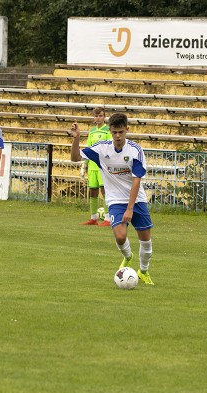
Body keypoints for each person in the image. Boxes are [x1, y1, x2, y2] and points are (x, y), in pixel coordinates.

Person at [70, 113, 154, 285]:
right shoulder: (102, 149)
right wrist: (77, 138)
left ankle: (144, 271)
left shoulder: (135, 151)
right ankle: (128, 256)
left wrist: (130, 208)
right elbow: (75, 158)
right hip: (115, 200)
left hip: (137, 200)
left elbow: (136, 181)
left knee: (146, 240)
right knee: (120, 236)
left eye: (121, 132)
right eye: (114, 132)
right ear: (110, 131)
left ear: (127, 130)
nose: (117, 136)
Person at [80, 107, 112, 226]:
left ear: (104, 117)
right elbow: (88, 148)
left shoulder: (108, 130)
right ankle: (93, 218)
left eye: (100, 116)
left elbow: (109, 147)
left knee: (104, 192)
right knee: (93, 192)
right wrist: (84, 164)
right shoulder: (92, 131)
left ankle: (108, 219)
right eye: (96, 116)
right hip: (92, 166)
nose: (98, 118)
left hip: (102, 166)